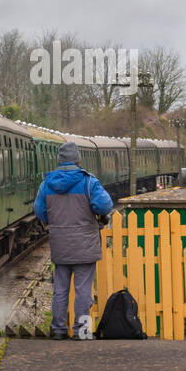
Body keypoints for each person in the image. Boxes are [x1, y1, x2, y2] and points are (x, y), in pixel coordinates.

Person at [34, 141, 114, 339]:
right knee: (83, 292)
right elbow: (104, 206)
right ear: (78, 160)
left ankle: (58, 330)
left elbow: (39, 210)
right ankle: (82, 331)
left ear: (59, 161)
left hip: (60, 245)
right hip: (85, 245)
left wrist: (54, 221)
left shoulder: (47, 184)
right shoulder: (88, 182)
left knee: (60, 291)